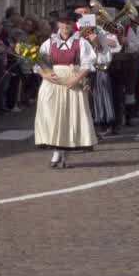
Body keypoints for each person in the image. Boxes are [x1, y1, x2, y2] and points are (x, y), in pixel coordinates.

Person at [34, 12, 98, 169]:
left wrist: (76, 80)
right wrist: (45, 75)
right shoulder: (49, 42)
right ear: (58, 24)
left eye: (68, 23)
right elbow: (39, 64)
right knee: (51, 116)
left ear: (73, 25)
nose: (65, 26)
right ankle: (56, 152)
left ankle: (64, 156)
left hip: (72, 81)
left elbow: (88, 64)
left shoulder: (80, 42)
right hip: (52, 83)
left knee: (69, 118)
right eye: (62, 22)